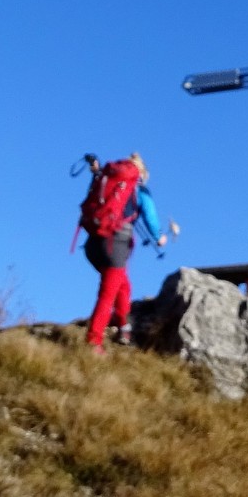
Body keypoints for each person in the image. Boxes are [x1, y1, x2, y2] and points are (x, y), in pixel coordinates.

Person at [83, 152, 166, 355]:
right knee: (107, 294)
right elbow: (150, 218)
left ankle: (123, 327)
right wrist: (159, 237)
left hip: (93, 243)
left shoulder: (105, 179)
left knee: (122, 283)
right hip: (117, 245)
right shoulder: (139, 190)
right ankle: (94, 342)